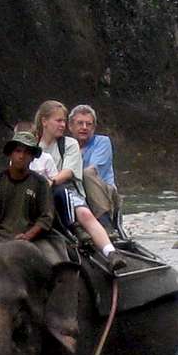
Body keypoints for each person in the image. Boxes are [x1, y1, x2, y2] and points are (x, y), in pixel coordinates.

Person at [33, 100, 126, 272]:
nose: (84, 127)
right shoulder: (32, 146)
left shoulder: (71, 144)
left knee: (86, 181)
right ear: (44, 121)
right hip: (37, 192)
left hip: (84, 191)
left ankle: (109, 249)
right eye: (59, 121)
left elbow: (71, 172)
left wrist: (50, 181)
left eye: (88, 124)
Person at [0, 130, 54, 245]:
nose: (21, 156)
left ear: (32, 158)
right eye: (18, 151)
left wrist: (28, 236)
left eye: (27, 153)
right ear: (10, 154)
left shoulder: (40, 183)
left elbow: (46, 217)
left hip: (32, 240)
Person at [68, 103, 121, 228]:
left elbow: (92, 170)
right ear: (70, 126)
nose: (84, 127)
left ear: (94, 127)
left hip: (104, 194)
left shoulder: (102, 142)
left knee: (87, 174)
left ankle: (105, 224)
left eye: (89, 124)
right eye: (80, 123)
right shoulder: (66, 145)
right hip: (76, 193)